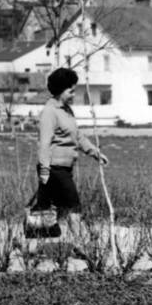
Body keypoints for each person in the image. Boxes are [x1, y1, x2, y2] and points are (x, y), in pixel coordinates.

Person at [35, 67, 108, 245]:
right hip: (53, 167)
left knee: (59, 210)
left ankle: (37, 244)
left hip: (65, 167)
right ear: (60, 90)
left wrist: (95, 153)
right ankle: (81, 243)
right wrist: (44, 169)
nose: (74, 94)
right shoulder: (50, 112)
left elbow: (77, 135)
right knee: (73, 204)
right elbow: (44, 143)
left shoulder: (67, 110)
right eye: (71, 90)